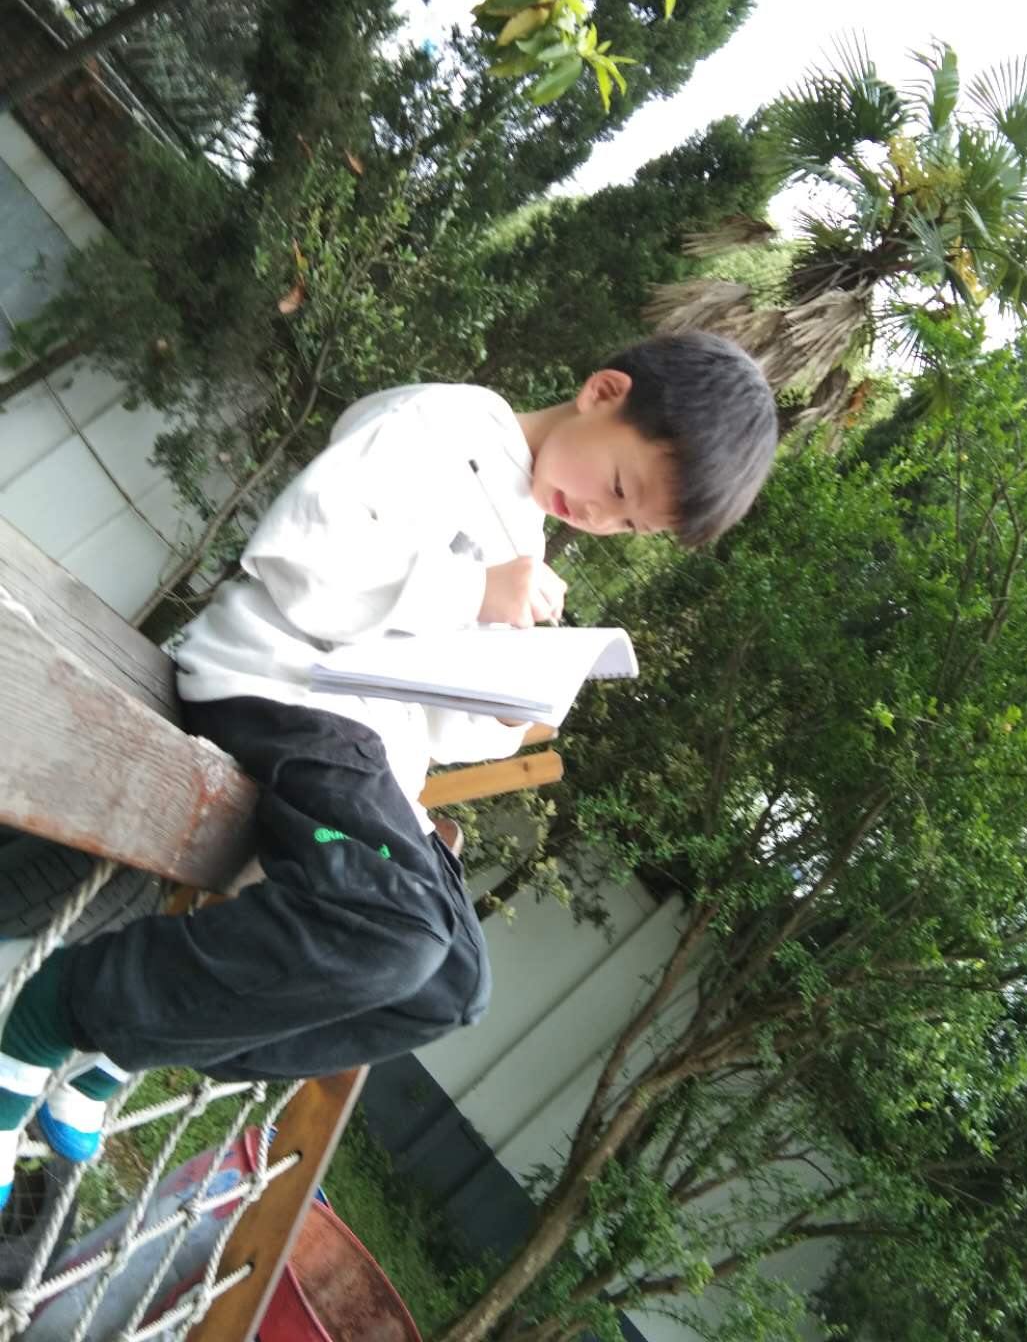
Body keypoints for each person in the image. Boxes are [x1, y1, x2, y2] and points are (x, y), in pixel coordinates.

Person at [0, 330, 776, 1204]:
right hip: (279, 686)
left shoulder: (526, 531)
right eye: (622, 487)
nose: (600, 516)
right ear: (603, 393)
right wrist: (476, 592)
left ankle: (118, 1051)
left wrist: (506, 707)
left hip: (364, 749)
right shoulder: (443, 425)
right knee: (394, 928)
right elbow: (299, 555)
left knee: (449, 987)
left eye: (627, 523)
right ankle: (48, 1014)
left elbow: (428, 706)